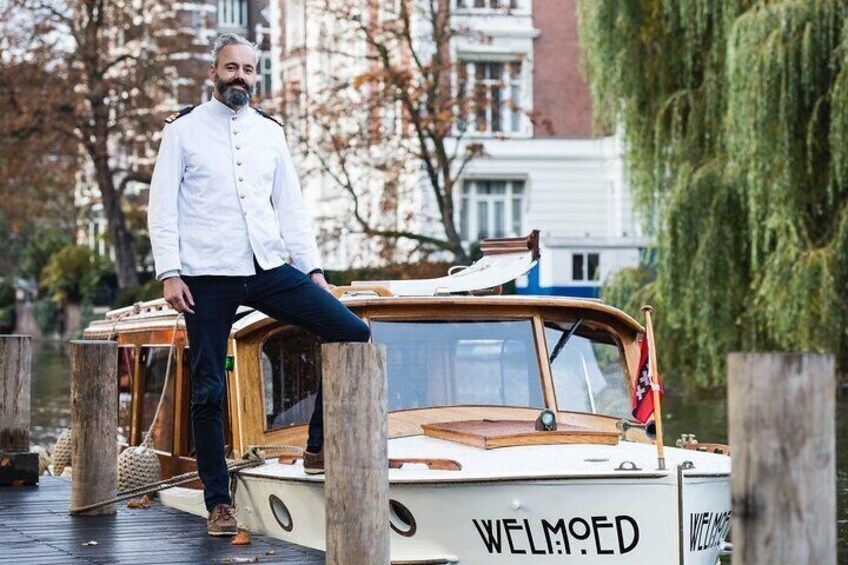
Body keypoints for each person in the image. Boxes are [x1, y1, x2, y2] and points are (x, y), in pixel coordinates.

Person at [147, 33, 370, 536]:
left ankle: (318, 447)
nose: (240, 78)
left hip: (267, 267)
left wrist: (312, 270)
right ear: (213, 73)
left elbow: (290, 207)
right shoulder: (182, 131)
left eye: (248, 70)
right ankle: (218, 504)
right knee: (207, 389)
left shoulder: (270, 132)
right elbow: (161, 209)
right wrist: (170, 272)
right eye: (231, 68)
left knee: (352, 333)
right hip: (206, 274)